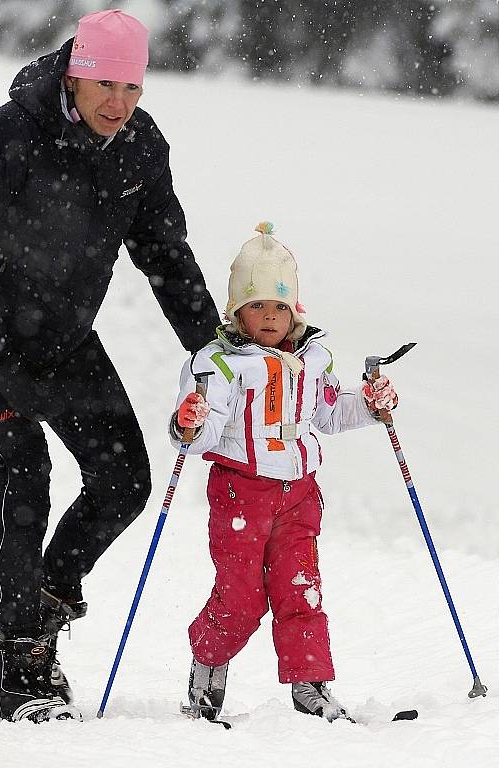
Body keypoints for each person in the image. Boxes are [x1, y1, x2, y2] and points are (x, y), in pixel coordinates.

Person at [0, 10, 219, 723]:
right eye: (105, 82)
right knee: (25, 474)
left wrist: (213, 344)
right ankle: (23, 664)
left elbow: (165, 254)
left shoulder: (139, 148)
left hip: (59, 334)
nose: (118, 102)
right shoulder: (8, 138)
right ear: (74, 74)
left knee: (123, 479)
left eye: (133, 86)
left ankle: (39, 600)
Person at [169, 223, 398, 724]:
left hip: (299, 494)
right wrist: (191, 422)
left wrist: (372, 405)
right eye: (256, 306)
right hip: (240, 493)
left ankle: (309, 684)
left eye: (279, 306)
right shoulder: (221, 364)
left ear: (295, 311)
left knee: (301, 588)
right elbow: (203, 434)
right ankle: (208, 666)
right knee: (242, 596)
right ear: (237, 311)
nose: (269, 317)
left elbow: (332, 412)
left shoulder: (312, 359)